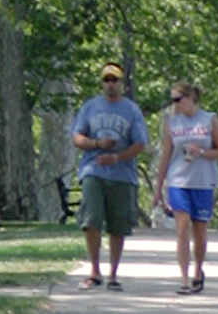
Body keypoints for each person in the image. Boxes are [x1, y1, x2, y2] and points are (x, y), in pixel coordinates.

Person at [71, 62, 150, 291]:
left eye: (114, 80)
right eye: (106, 80)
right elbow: (77, 137)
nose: (110, 84)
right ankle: (94, 271)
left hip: (122, 175)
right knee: (91, 219)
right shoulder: (90, 107)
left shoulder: (131, 110)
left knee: (117, 226)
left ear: (121, 83)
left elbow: (140, 143)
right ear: (101, 82)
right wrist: (96, 143)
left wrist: (117, 157)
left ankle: (113, 274)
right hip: (92, 170)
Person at [155, 82, 218, 295]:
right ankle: (184, 279)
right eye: (172, 101)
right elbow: (166, 155)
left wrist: (203, 153)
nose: (175, 104)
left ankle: (198, 270)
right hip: (178, 180)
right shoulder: (172, 123)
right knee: (182, 225)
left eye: (178, 99)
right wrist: (158, 188)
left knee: (200, 231)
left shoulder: (209, 119)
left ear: (190, 98)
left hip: (203, 181)